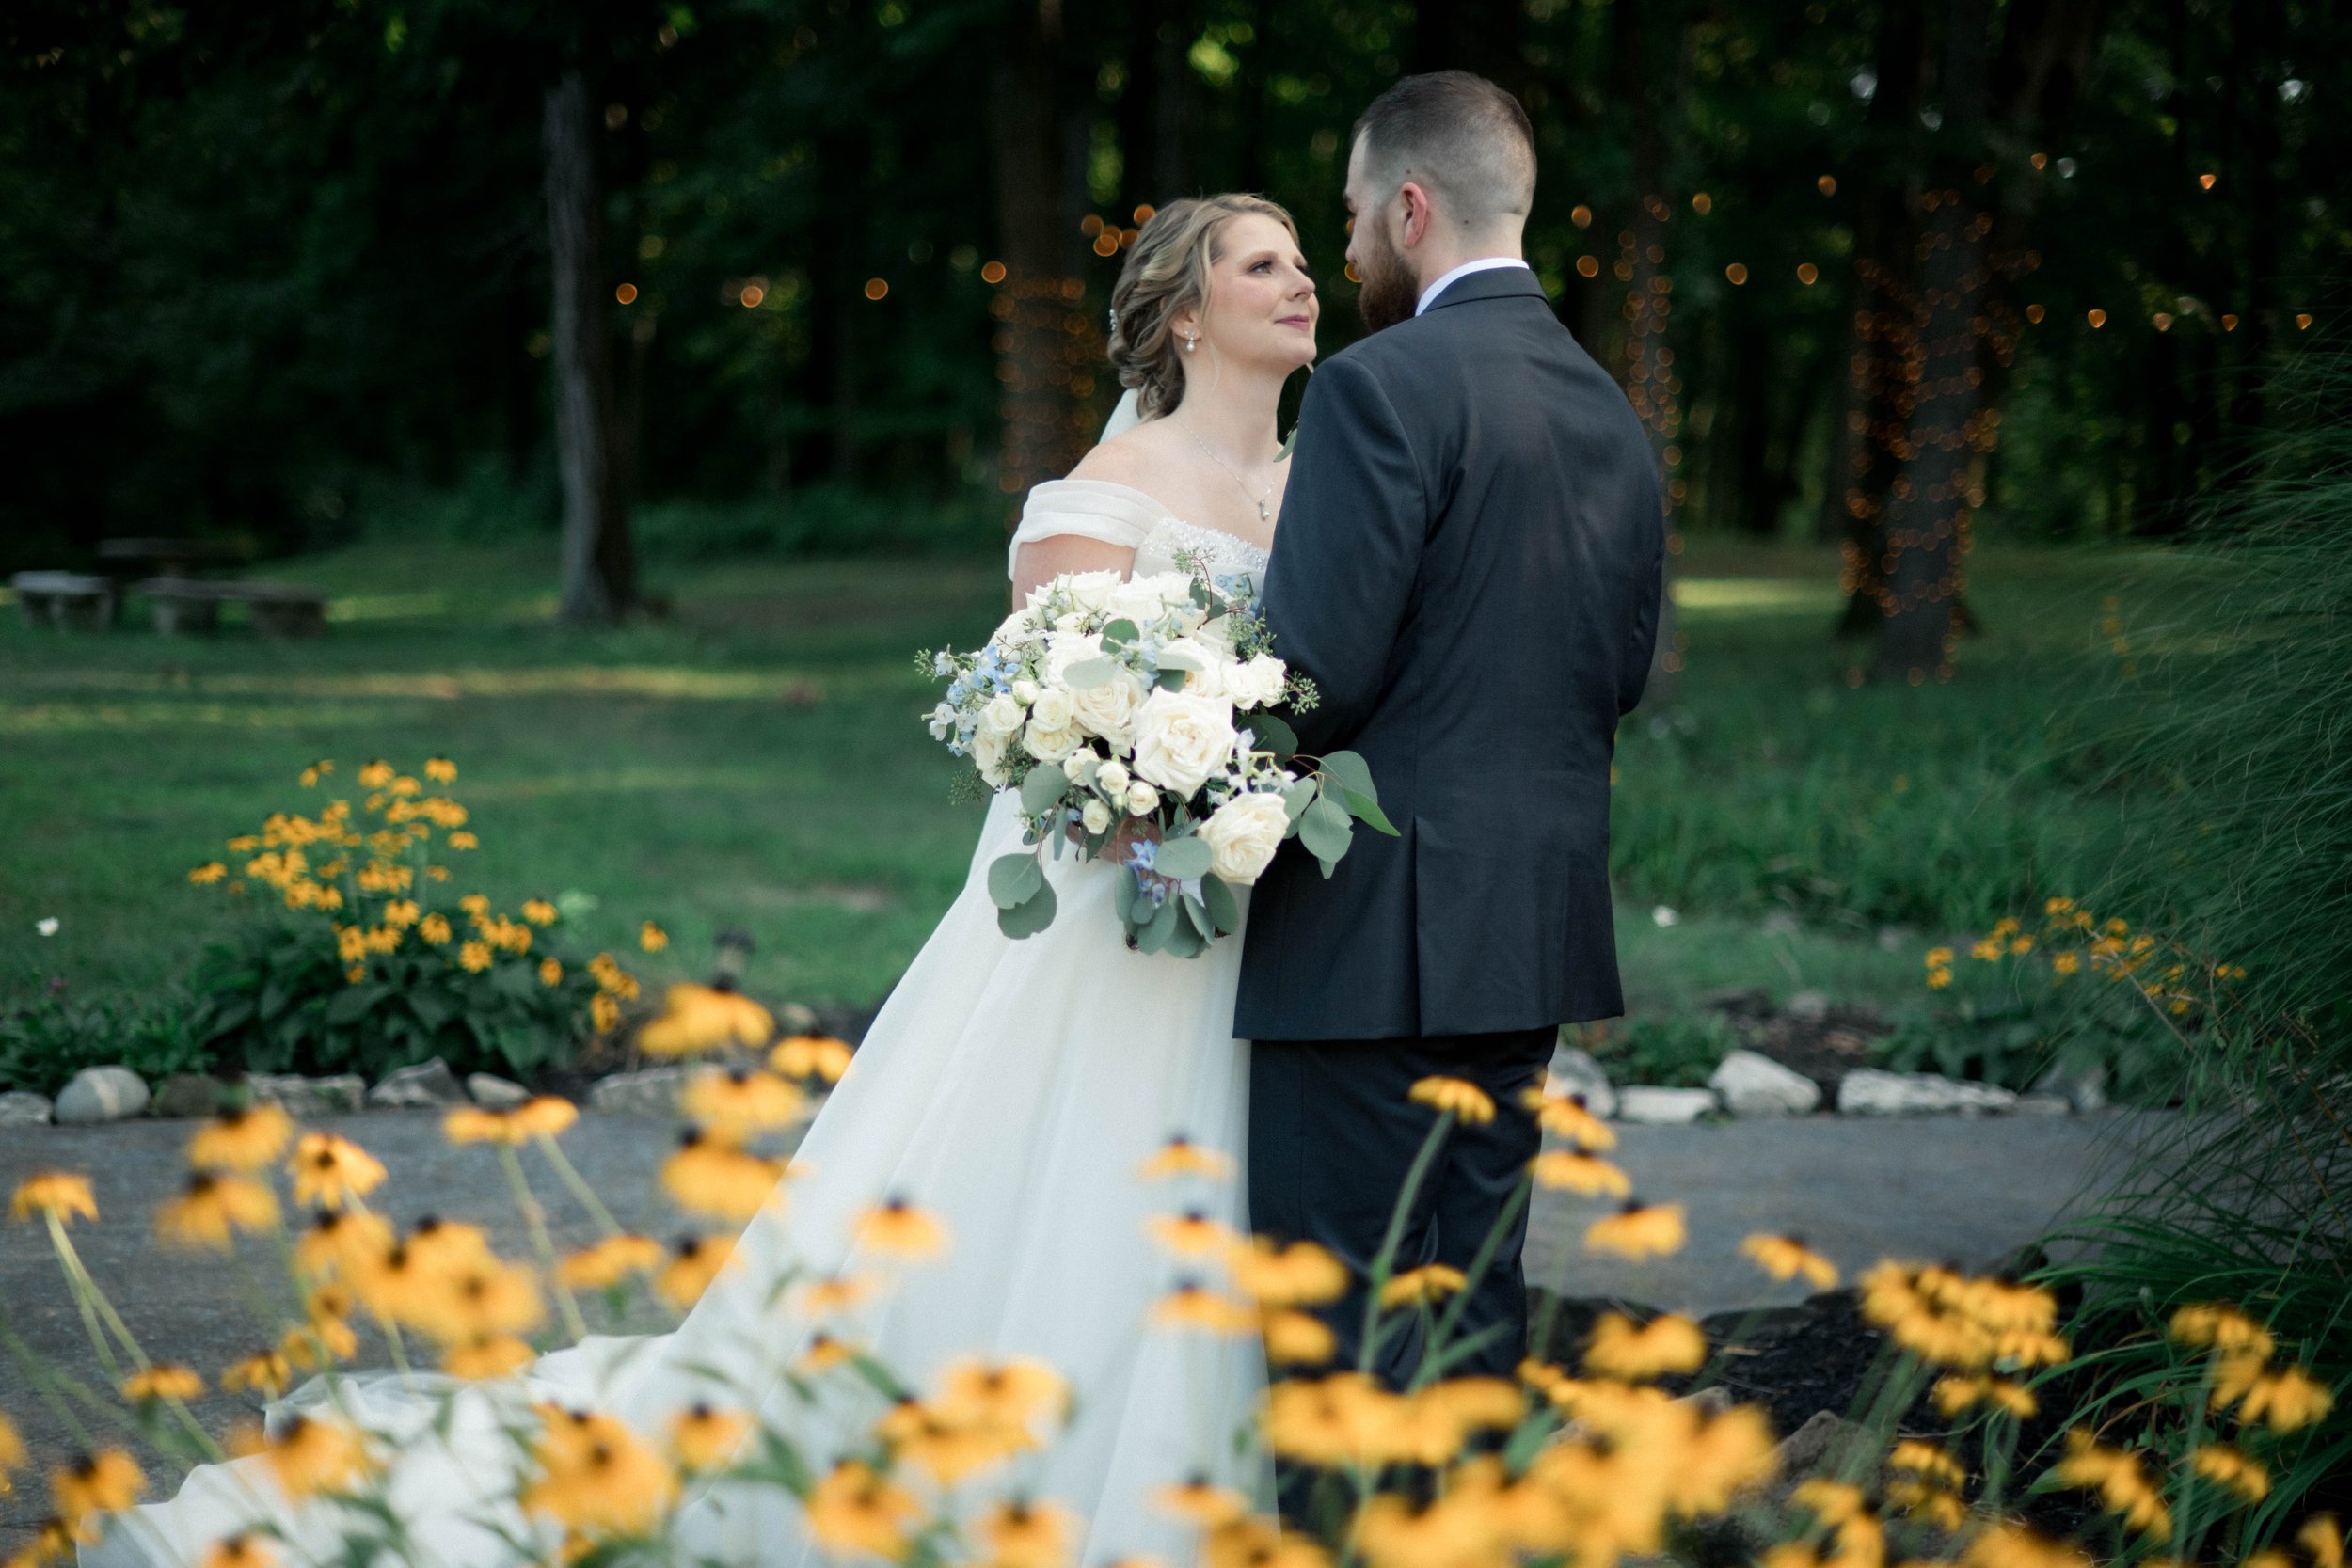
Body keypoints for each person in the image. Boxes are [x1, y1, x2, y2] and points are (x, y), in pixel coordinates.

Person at [82, 194, 1319, 1568]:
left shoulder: (1323, 480)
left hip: (1268, 911)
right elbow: (1049, 730)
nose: (1303, 282)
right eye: (1264, 263)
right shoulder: (1100, 496)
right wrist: (1160, 784)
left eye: (1306, 261)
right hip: (1106, 924)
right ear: (1186, 311)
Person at [1238, 69, 1666, 1411]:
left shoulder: (1377, 390)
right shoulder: (1613, 412)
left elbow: (1316, 680)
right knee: (1477, 1321)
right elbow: (1626, 673)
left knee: (1331, 1341)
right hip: (1526, 936)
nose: (1348, 248)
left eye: (1356, 216)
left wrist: (1182, 736)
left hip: (1371, 942)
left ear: (1412, 207)